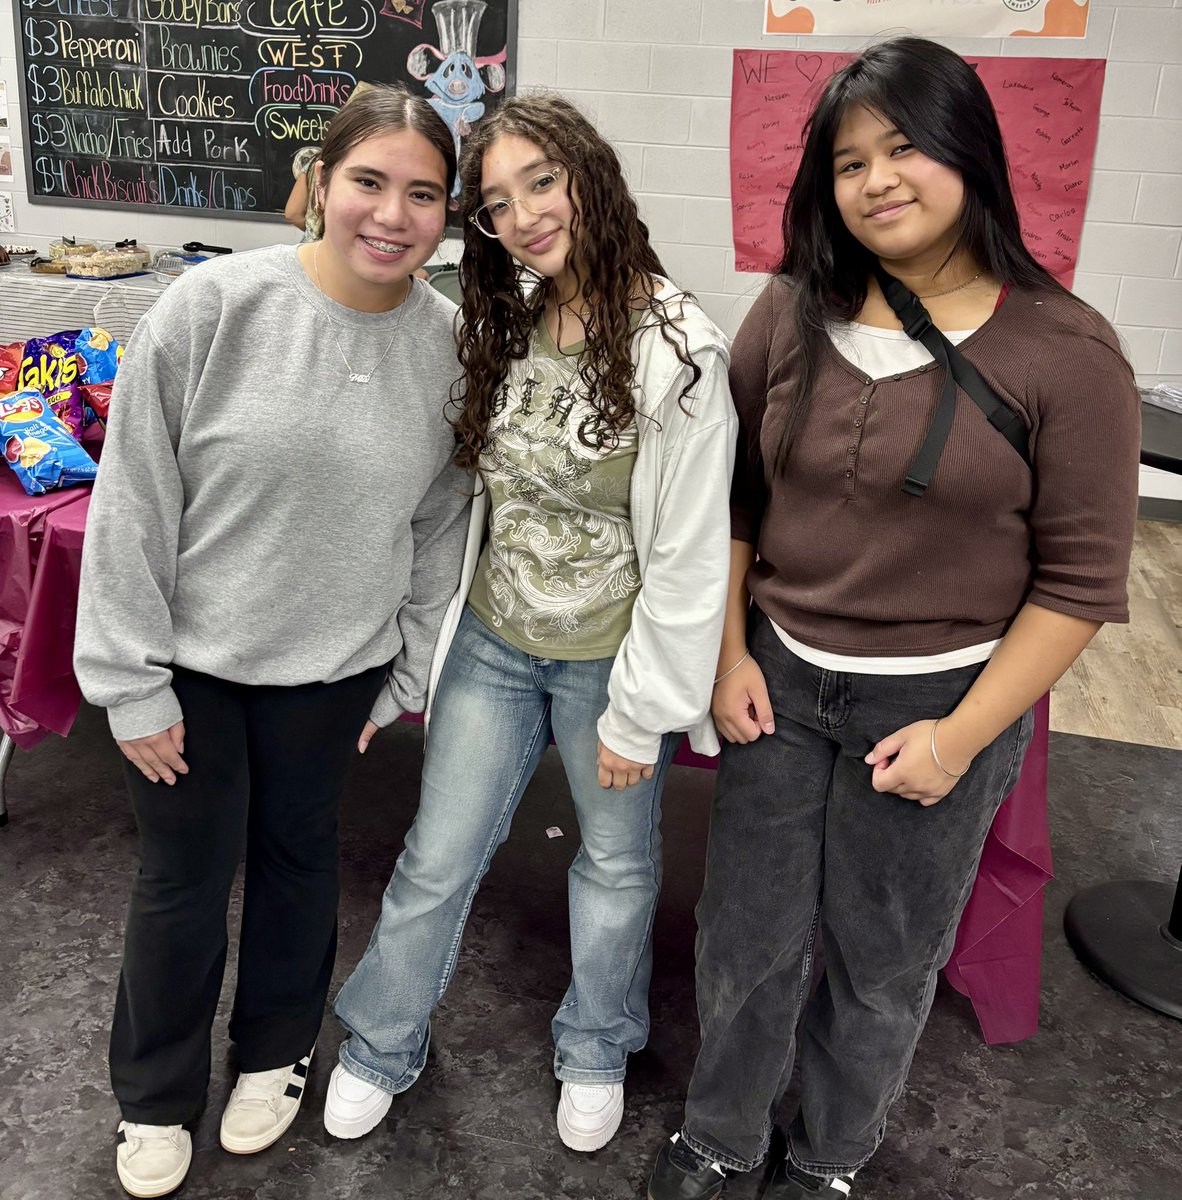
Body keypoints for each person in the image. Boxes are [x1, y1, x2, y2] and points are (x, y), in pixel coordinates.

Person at [646, 37, 1140, 1200]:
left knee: (883, 957)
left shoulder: (1066, 353)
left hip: (934, 704)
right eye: (849, 160)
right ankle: (720, 1137)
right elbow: (734, 499)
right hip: (777, 683)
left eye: (904, 147)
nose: (876, 181)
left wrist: (960, 738)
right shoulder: (791, 311)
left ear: (970, 150)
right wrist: (727, 657)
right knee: (745, 940)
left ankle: (830, 1156)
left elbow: (1078, 585)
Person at [74, 84, 469, 1199]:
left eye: (423, 194)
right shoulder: (212, 307)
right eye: (368, 183)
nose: (391, 215)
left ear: (447, 214)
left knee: (301, 868)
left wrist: (401, 673)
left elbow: (442, 520)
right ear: (319, 185)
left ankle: (274, 1053)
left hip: (332, 674)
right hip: (191, 668)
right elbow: (135, 497)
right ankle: (153, 1094)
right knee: (183, 879)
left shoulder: (448, 348)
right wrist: (129, 680)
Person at [323, 93, 737, 1154]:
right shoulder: (500, 324)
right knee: (436, 854)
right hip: (495, 648)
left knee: (616, 869)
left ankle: (597, 1044)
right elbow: (462, 507)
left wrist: (641, 714)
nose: (525, 216)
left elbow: (690, 557)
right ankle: (379, 1043)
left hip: (608, 665)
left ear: (589, 176)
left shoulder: (679, 349)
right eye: (498, 203)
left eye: (540, 184)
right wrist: (411, 667)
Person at [284, 143, 322, 241]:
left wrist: (314, 231)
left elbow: (293, 213)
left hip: (313, 245)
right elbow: (293, 214)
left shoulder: (314, 163)